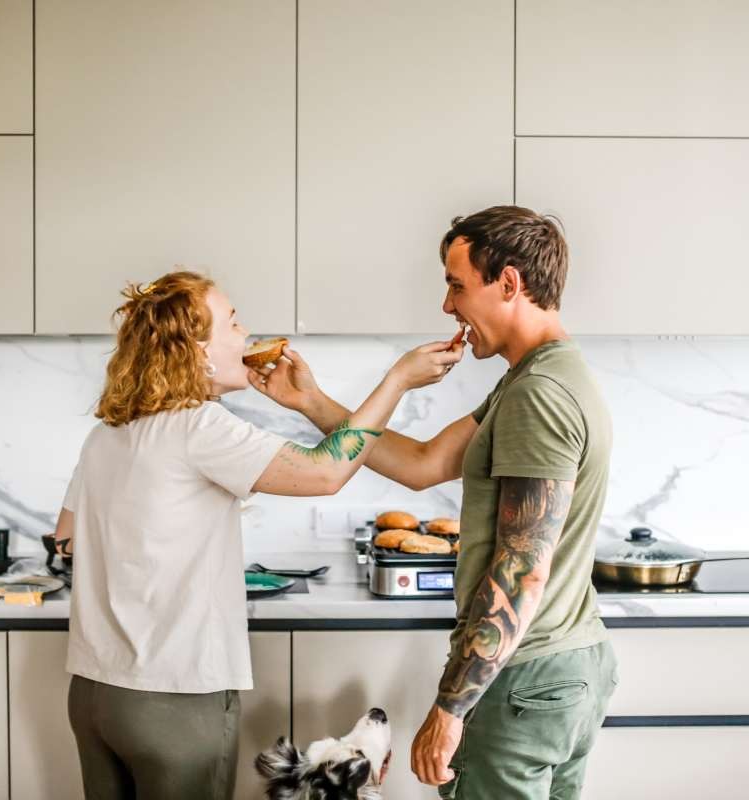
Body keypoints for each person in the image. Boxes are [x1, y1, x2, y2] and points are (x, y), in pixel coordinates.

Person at [50, 270, 462, 800]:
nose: (245, 334)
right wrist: (397, 380)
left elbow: (66, 538)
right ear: (196, 350)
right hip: (174, 699)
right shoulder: (199, 425)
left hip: (94, 695)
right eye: (233, 322)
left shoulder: (106, 435)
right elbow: (325, 473)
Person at [250, 206, 617, 799]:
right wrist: (311, 401)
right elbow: (424, 463)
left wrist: (451, 708)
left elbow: (521, 568)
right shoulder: (535, 379)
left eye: (457, 285)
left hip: (523, 675)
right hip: (565, 667)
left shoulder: (540, 394)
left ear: (509, 283)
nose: (448, 306)